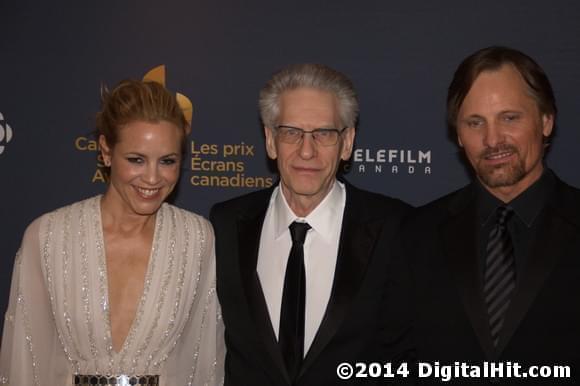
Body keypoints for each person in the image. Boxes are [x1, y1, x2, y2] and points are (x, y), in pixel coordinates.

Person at [0, 80, 224, 385]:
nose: (153, 178)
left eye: (168, 161)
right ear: (106, 151)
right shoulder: (48, 236)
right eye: (136, 159)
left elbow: (203, 362)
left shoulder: (196, 239)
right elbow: (26, 360)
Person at [210, 63, 410, 385]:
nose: (307, 150)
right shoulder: (225, 225)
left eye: (324, 134)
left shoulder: (397, 228)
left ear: (347, 143)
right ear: (270, 140)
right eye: (291, 133)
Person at [400, 46, 580, 384]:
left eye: (509, 118)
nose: (492, 139)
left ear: (546, 121)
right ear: (458, 134)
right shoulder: (416, 234)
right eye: (475, 122)